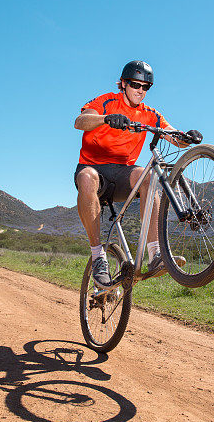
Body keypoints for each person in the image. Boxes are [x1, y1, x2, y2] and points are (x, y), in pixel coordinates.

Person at [73, 60, 201, 289]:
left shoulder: (150, 114)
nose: (140, 90)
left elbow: (171, 134)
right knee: (86, 178)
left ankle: (156, 255)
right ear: (123, 83)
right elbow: (80, 121)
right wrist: (105, 119)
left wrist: (186, 137)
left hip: (122, 174)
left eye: (145, 86)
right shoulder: (106, 101)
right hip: (94, 169)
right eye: (134, 84)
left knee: (149, 177)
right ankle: (98, 258)